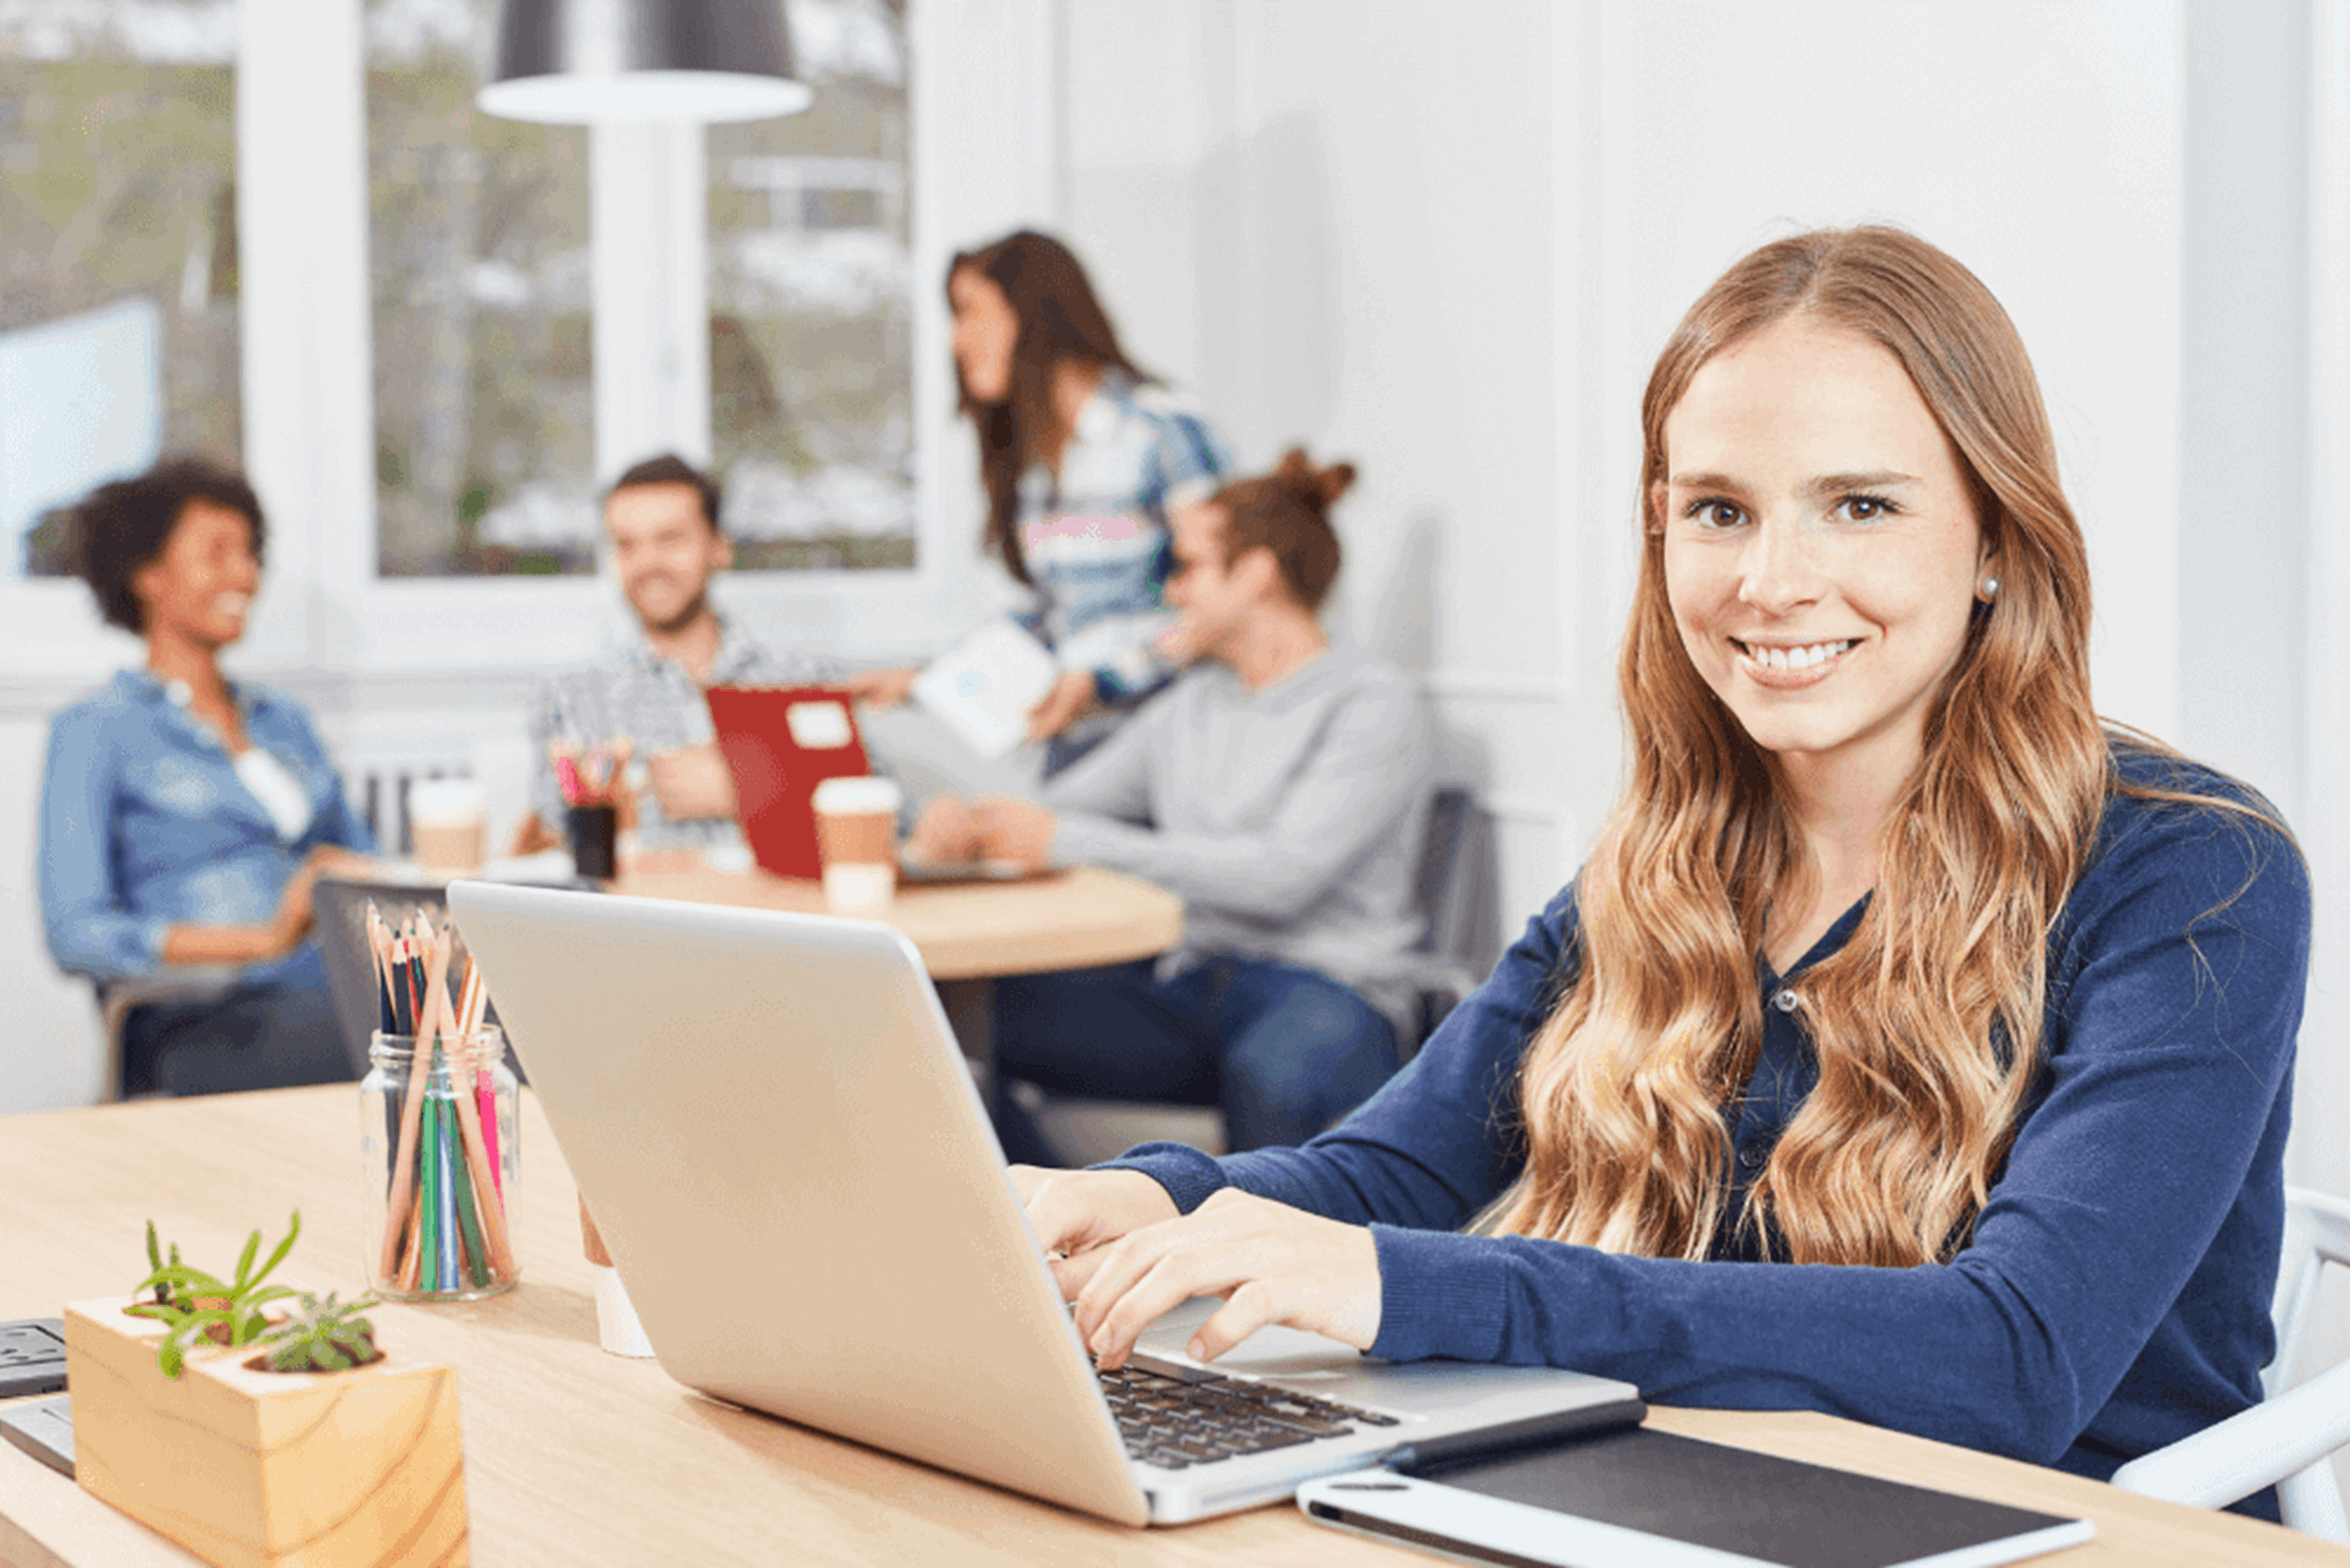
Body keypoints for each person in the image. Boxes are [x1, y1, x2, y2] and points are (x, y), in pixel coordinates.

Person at [1007, 227, 2310, 1513]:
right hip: (1713, 1500)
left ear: (1992, 542)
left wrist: (1414, 1286)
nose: (1770, 581)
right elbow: (1387, 1173)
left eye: (1859, 506)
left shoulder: (2196, 873)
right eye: (1718, 511)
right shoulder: (1657, 865)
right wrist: (1150, 1196)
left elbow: (2016, 1355)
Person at [912, 449, 1435, 1161]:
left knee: (1281, 1074)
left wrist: (1062, 840)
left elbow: (1283, 878)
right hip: (1189, 984)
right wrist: (974, 822)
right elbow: (1058, 806)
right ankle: (1057, 1246)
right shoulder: (1192, 704)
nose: (1173, 591)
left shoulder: (1371, 703)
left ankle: (1260, 1270)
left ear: (1253, 574)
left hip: (1328, 987)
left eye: (1186, 567)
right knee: (941, 1023)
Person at [39, 456, 379, 1096]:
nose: (245, 574)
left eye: (250, 553)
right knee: (430, 1041)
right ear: (147, 574)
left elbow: (368, 860)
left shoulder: (285, 723)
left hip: (330, 988)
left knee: (493, 1010)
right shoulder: (96, 730)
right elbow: (76, 934)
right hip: (201, 1018)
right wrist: (262, 938)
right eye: (218, 552)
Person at [850, 230, 1232, 775]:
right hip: (1082, 748)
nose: (957, 341)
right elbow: (1059, 620)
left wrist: (1106, 679)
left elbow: (1226, 604)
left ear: (1034, 316)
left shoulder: (1161, 432)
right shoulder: (1038, 466)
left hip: (1174, 744)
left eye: (971, 312)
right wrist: (927, 678)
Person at [514, 453, 831, 857]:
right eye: (627, 545)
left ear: (719, 548)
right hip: (635, 918)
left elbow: (894, 832)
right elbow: (552, 854)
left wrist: (751, 794)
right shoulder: (567, 696)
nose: (647, 563)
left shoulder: (806, 682)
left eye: (670, 539)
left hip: (778, 916)